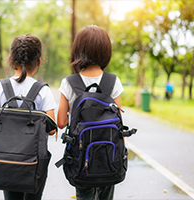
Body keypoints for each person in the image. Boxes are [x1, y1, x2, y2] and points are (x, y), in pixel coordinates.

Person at [0, 34, 57, 200]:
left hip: (4, 161)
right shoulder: (43, 91)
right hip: (34, 163)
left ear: (10, 60)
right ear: (38, 61)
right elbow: (52, 130)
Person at [57, 25, 124, 200]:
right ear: (105, 51)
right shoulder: (113, 81)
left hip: (81, 158)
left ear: (78, 51)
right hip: (108, 157)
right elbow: (119, 123)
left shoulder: (69, 82)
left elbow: (61, 123)